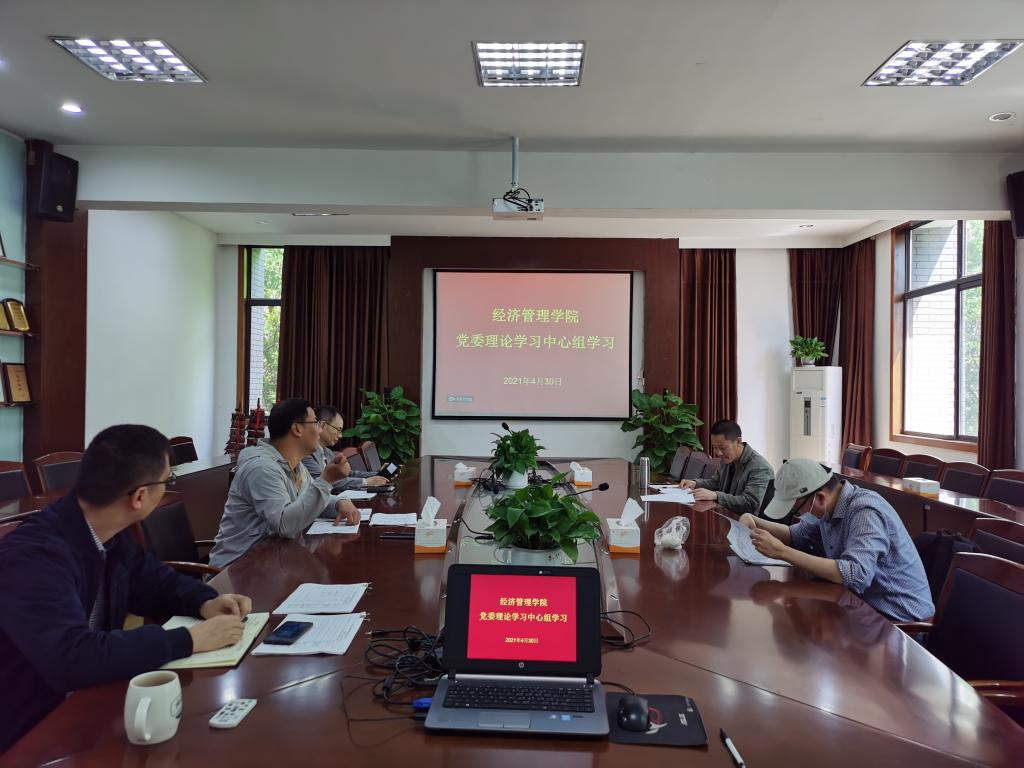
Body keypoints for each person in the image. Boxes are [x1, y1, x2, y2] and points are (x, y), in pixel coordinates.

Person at [0, 425, 252, 751]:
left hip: (91, 706)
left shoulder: (110, 535)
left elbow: (154, 582)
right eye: (167, 480)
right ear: (140, 497)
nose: (168, 487)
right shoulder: (33, 556)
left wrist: (205, 601)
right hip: (28, 731)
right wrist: (190, 640)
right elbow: (72, 658)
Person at [740, 458, 934, 622]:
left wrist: (782, 552)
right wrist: (754, 521)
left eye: (796, 510)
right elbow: (797, 535)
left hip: (898, 620)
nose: (798, 516)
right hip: (860, 609)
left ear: (819, 498)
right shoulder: (828, 509)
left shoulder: (865, 511)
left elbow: (854, 574)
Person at [208, 398, 359, 568]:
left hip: (274, 561)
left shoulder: (297, 466)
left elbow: (310, 498)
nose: (320, 430)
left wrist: (339, 502)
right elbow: (285, 524)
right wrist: (326, 481)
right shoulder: (262, 468)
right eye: (316, 423)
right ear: (297, 429)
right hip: (237, 570)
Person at [678, 420, 773, 515]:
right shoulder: (728, 458)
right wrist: (695, 483)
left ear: (738, 441)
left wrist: (716, 495)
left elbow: (750, 504)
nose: (718, 453)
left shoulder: (760, 467)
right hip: (726, 515)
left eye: (723, 447)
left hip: (747, 522)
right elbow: (716, 482)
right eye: (715, 447)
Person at [302, 405, 388, 490]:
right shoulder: (306, 453)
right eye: (338, 430)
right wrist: (366, 482)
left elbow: (348, 474)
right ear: (323, 425)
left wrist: (379, 475)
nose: (340, 435)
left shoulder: (327, 452)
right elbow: (323, 482)